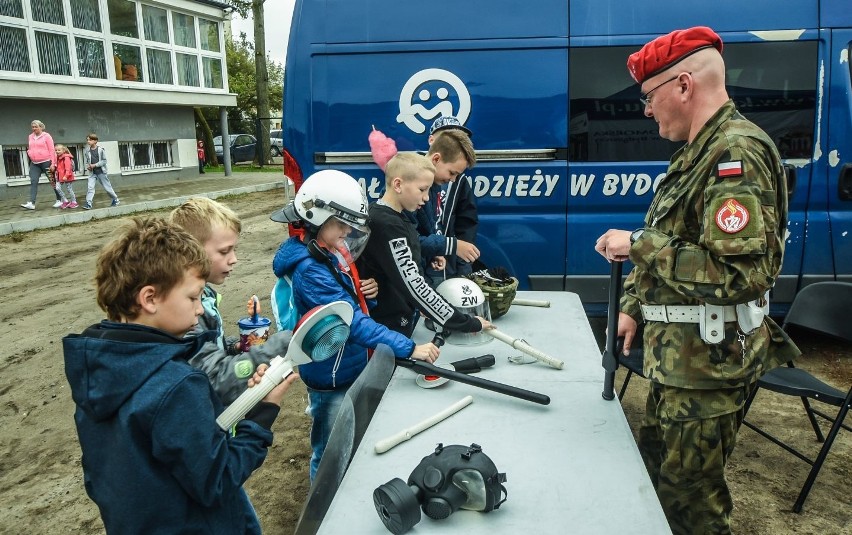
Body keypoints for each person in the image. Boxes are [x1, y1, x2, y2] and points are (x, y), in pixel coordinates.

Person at [593, 26, 800, 534]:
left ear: (683, 86)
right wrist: (633, 308)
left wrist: (637, 244)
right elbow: (677, 237)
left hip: (709, 369)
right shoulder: (695, 152)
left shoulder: (736, 154)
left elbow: (740, 275)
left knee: (690, 507)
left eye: (649, 96)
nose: (645, 110)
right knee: (655, 482)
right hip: (677, 362)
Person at [62, 217, 298, 534]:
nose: (200, 309)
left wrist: (248, 405)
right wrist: (262, 414)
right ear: (149, 298)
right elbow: (217, 480)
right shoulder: (176, 385)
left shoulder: (98, 370)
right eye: (193, 297)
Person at [270, 169, 441, 482]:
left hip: (347, 365)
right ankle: (320, 513)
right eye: (341, 223)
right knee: (329, 451)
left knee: (351, 439)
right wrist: (411, 347)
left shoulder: (329, 252)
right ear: (316, 217)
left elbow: (350, 303)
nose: (347, 231)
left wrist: (367, 295)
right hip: (330, 377)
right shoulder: (311, 270)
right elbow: (354, 323)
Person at [169, 197, 293, 406]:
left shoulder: (204, 294)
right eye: (224, 251)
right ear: (191, 251)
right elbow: (215, 378)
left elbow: (206, 349)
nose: (234, 258)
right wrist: (279, 344)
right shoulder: (185, 310)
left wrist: (234, 346)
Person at [358, 151, 491, 337]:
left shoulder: (392, 216)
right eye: (422, 189)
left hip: (395, 317)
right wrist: (467, 323)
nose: (427, 197)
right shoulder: (388, 225)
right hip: (389, 325)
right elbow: (415, 287)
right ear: (398, 185)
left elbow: (397, 263)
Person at [408, 125, 480, 285]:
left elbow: (426, 230)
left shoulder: (433, 185)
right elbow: (407, 240)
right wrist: (451, 246)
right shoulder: (410, 184)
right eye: (452, 173)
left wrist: (433, 252)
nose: (453, 180)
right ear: (436, 159)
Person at [21, 119, 61, 210]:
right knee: (33, 181)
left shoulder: (46, 136)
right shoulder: (30, 136)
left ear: (41, 127)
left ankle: (60, 200)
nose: (34, 128)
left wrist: (53, 163)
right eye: (32, 127)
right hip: (35, 163)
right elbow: (30, 147)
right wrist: (29, 152)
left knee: (52, 181)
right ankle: (32, 203)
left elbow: (52, 150)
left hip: (46, 162)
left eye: (36, 127)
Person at [81, 133, 119, 210]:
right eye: (87, 140)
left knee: (107, 187)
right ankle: (88, 203)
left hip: (101, 172)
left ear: (95, 141)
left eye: (90, 140)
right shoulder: (87, 151)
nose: (88, 141)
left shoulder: (101, 150)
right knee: (90, 187)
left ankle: (115, 199)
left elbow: (104, 161)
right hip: (92, 173)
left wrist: (95, 165)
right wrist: (88, 166)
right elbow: (87, 162)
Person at [53, 144, 79, 209]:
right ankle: (65, 201)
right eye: (56, 150)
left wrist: (66, 176)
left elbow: (68, 168)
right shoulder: (58, 158)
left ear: (63, 150)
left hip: (67, 176)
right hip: (60, 177)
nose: (57, 151)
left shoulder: (66, 157)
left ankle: (74, 202)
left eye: (59, 150)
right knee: (57, 188)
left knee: (69, 189)